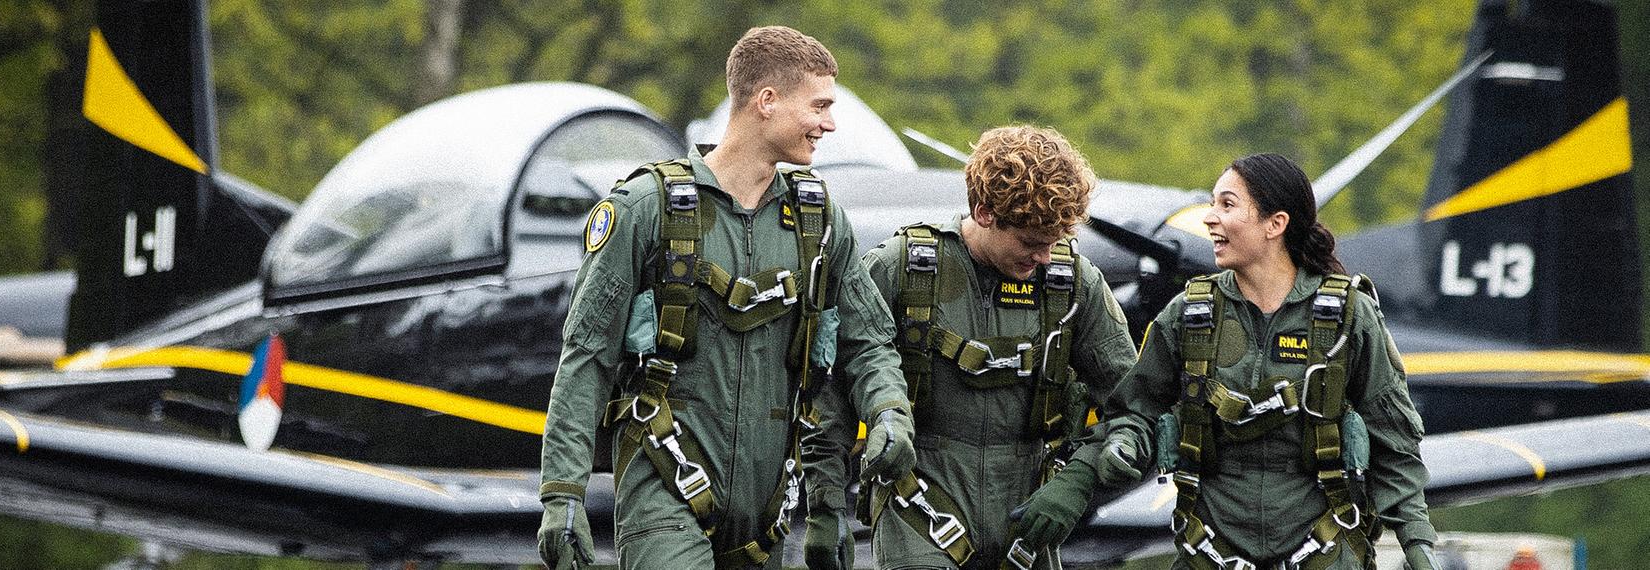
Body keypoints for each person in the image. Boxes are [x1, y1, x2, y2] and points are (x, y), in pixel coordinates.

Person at [535, 26, 918, 570]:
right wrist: (562, 492)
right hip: (663, 481)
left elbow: (869, 343)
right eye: (819, 105)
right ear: (767, 101)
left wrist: (888, 415)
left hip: (767, 507)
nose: (829, 123)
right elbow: (587, 355)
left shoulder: (819, 222)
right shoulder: (647, 209)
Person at [1011, 153, 1439, 569]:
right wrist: (1101, 463)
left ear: (1276, 224)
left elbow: (1395, 444)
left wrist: (1417, 543)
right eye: (1212, 203)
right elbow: (1134, 412)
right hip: (1210, 553)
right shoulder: (1189, 316)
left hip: (1325, 552)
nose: (1209, 218)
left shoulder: (1347, 317)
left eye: (1227, 205)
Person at [800, 125, 1139, 570]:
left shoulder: (1073, 285)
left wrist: (1077, 481)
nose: (1043, 257)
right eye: (1030, 242)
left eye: (1055, 242)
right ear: (983, 212)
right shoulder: (900, 270)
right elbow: (833, 391)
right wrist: (825, 505)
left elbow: (1135, 403)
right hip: (918, 503)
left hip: (1029, 513)